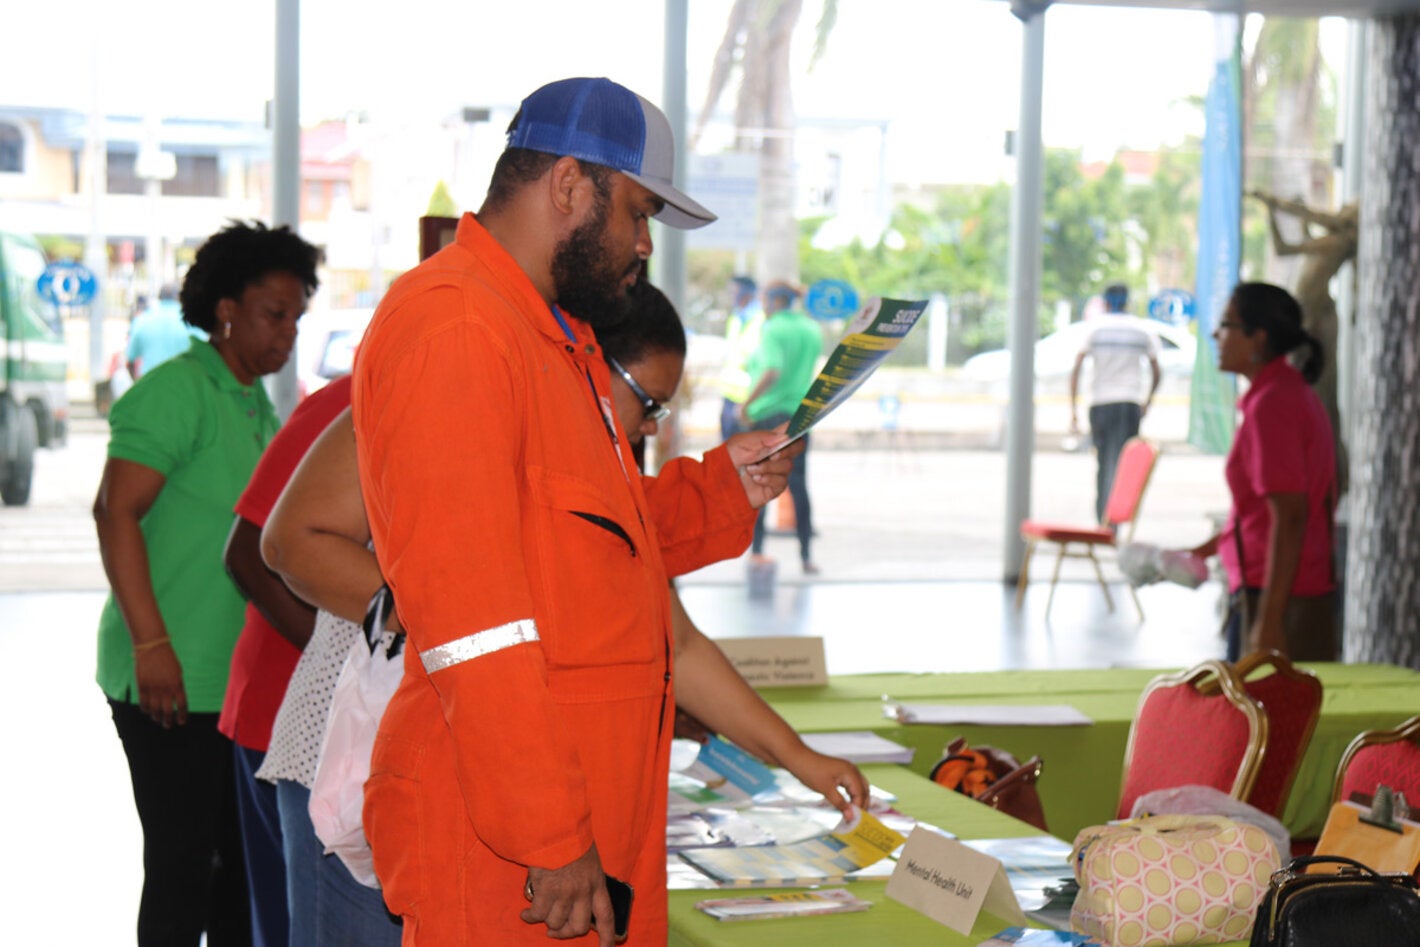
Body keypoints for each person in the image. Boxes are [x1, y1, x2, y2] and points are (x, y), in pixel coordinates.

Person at [258, 279, 866, 946]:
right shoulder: (441, 386)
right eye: (648, 402)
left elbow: (677, 642)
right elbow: (288, 542)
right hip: (356, 741)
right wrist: (434, 602)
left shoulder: (593, 469)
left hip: (493, 773)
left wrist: (796, 755)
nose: (651, 426)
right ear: (585, 365)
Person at [350, 76, 813, 945]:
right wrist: (551, 834)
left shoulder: (554, 336)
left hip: (583, 821)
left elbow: (596, 539)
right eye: (637, 213)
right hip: (510, 848)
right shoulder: (457, 328)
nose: (643, 244)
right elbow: (473, 622)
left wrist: (725, 486)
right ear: (568, 184)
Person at [92, 220, 321, 947]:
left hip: (230, 688)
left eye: (296, 318)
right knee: (183, 869)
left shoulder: (253, 402)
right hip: (169, 677)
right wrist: (150, 644)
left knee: (235, 881)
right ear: (226, 310)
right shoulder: (178, 391)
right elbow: (114, 511)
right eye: (273, 314)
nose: (287, 334)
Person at [218, 374, 354, 947]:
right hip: (290, 714)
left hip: (360, 726)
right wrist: (351, 670)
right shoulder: (347, 403)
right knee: (291, 923)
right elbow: (247, 553)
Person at [1186, 282, 1337, 662]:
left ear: (1258, 337)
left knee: (1265, 702)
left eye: (1226, 324)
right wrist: (1201, 551)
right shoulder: (1278, 393)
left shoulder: (1274, 404)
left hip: (1280, 598)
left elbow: (1291, 516)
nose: (1216, 335)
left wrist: (1269, 620)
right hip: (1271, 588)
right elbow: (1259, 513)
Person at [739, 280, 823, 574]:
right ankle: (806, 555)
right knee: (799, 485)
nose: (763, 306)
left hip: (769, 416)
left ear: (775, 301)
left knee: (761, 481)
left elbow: (772, 370)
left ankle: (757, 550)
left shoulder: (773, 328)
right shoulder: (811, 329)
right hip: (800, 417)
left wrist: (746, 405)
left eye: (765, 300)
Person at [1069, 284, 1162, 522]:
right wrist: (1147, 402)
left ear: (1105, 302)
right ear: (1128, 301)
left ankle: (1103, 518)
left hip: (1101, 404)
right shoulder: (1142, 329)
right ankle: (1117, 521)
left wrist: (1073, 410)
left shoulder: (1094, 329)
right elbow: (1156, 371)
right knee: (1124, 465)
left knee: (1104, 462)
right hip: (1130, 404)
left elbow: (1077, 368)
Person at [716, 274, 763, 440]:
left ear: (747, 293)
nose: (731, 295)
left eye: (734, 291)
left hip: (749, 398)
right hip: (729, 394)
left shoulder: (761, 320)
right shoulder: (735, 318)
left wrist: (749, 402)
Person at [128, 283, 208, 380]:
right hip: (183, 383)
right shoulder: (191, 322)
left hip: (151, 383)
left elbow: (130, 358)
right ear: (180, 298)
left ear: (159, 297)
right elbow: (206, 351)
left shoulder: (142, 320)